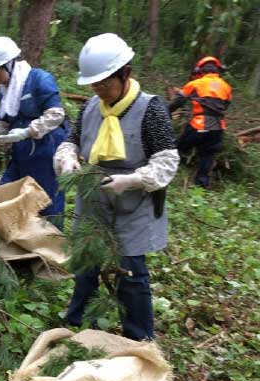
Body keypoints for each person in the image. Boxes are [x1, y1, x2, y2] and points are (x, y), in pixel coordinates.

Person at [53, 33, 179, 341]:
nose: (99, 91)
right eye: (94, 85)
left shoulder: (150, 109)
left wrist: (132, 180)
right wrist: (68, 157)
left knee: (131, 272)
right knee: (85, 261)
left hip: (134, 201)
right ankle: (78, 318)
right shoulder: (91, 108)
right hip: (93, 197)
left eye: (105, 84)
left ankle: (140, 338)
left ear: (126, 74)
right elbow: (71, 140)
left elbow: (167, 160)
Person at [0, 37, 70, 229]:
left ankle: (52, 246)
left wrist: (29, 131)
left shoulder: (39, 79)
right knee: (7, 188)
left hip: (47, 148)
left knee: (46, 198)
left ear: (9, 65)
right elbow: (3, 120)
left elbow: (56, 114)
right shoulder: (3, 91)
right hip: (22, 150)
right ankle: (17, 236)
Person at [169, 56, 232, 188]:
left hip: (200, 124)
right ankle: (201, 183)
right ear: (217, 70)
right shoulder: (226, 87)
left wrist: (167, 111)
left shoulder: (195, 84)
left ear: (201, 71)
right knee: (208, 154)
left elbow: (179, 101)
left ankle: (167, 171)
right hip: (218, 127)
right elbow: (225, 105)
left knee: (178, 147)